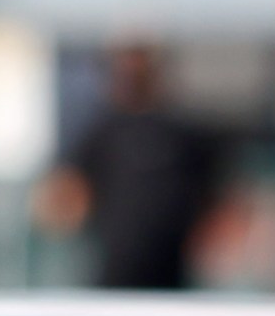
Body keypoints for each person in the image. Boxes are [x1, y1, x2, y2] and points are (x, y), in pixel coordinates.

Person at [39, 40, 227, 292]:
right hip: (113, 280)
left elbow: (223, 202)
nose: (131, 73)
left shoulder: (186, 134)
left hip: (175, 281)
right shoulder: (100, 133)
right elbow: (62, 200)